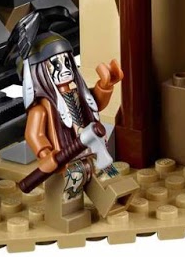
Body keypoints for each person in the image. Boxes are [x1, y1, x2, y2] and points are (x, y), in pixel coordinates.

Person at [17, 24, 137, 228]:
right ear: (39, 73)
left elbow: (94, 104)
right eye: (56, 65)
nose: (65, 70)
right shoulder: (42, 108)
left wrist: (105, 86)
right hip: (65, 158)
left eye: (67, 62)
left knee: (105, 172)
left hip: (90, 151)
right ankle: (68, 215)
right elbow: (34, 134)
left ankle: (115, 197)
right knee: (72, 183)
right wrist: (46, 154)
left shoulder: (77, 94)